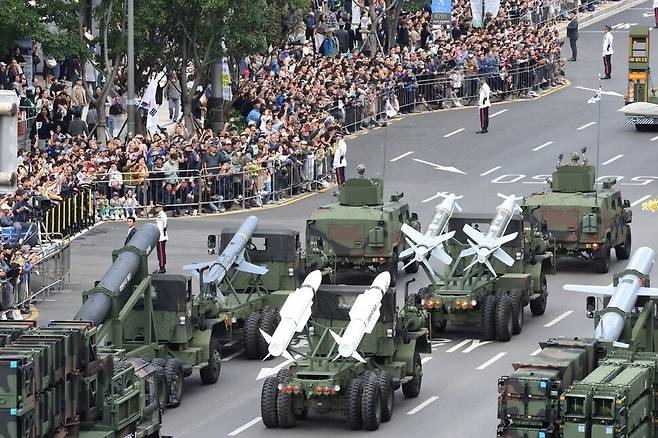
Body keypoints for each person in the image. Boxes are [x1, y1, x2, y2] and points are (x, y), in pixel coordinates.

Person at [154, 203, 167, 274]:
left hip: (161, 237)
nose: (157, 208)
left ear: (161, 207)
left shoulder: (162, 215)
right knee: (160, 252)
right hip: (160, 236)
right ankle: (161, 266)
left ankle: (162, 267)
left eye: (158, 207)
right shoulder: (160, 215)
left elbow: (164, 226)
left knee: (161, 253)